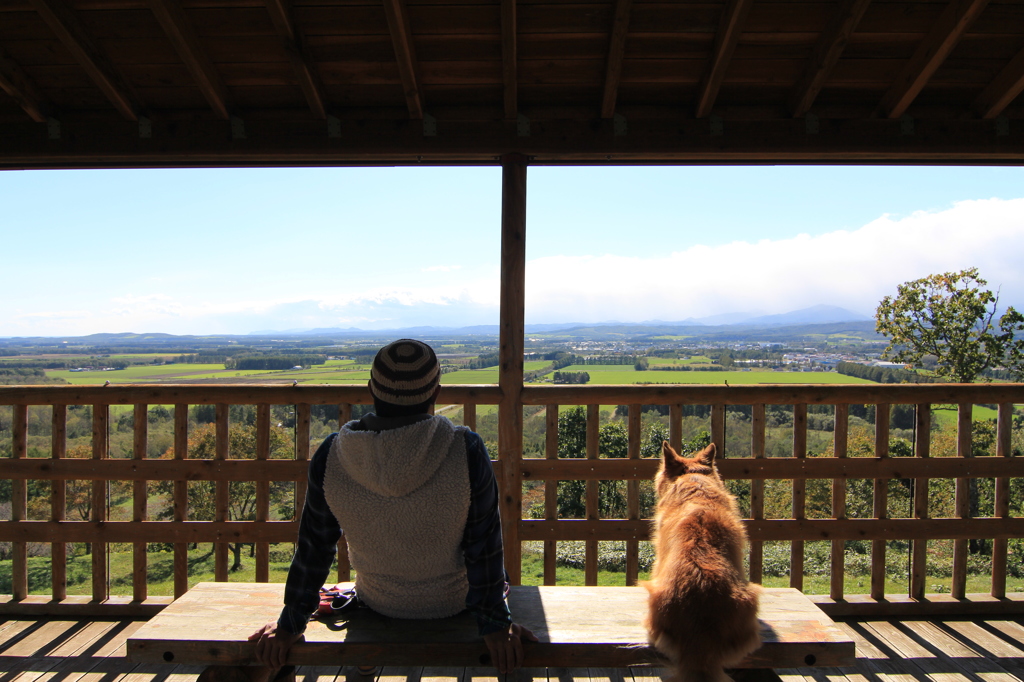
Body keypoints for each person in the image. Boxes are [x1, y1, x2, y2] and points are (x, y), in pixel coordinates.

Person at [249, 339, 536, 676]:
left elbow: (315, 546)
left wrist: (291, 622)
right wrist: (495, 624)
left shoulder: (333, 455)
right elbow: (483, 547)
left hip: (378, 599)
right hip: (454, 603)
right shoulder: (465, 450)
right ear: (435, 392)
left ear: (372, 387)